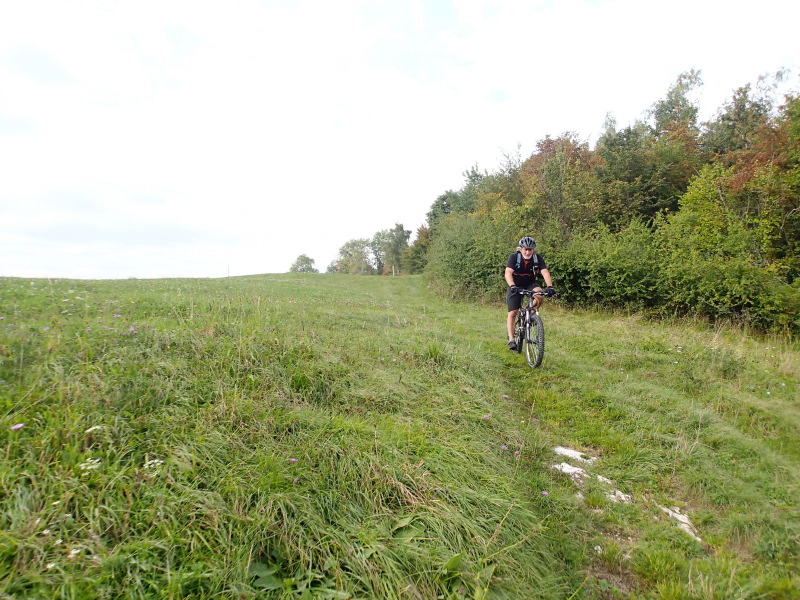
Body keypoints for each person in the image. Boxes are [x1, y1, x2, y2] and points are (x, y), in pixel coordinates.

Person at [504, 236, 555, 351]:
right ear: (521, 249)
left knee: (540, 295)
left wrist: (550, 286)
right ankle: (511, 339)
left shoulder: (537, 258)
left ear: (533, 249)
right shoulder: (514, 257)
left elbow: (545, 272)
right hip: (515, 284)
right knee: (513, 312)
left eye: (530, 249)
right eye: (525, 249)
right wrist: (512, 286)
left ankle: (530, 314)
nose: (527, 252)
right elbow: (508, 273)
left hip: (530, 283)